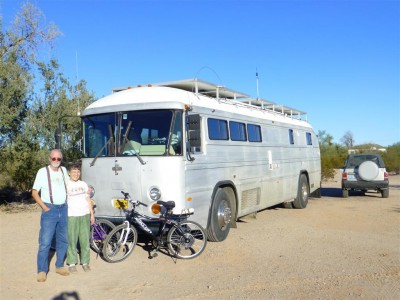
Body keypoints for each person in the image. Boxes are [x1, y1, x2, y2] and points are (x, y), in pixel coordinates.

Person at [32, 149, 69, 282]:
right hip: (50, 210)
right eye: (54, 158)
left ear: (61, 160)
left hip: (64, 209)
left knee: (63, 240)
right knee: (45, 242)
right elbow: (34, 192)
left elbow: (69, 187)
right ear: (49, 159)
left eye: (58, 159)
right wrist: (44, 207)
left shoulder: (64, 170)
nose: (56, 161)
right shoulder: (43, 172)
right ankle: (41, 270)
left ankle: (59, 266)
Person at [66, 164, 95, 273]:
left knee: (84, 240)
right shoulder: (66, 185)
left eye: (78, 172)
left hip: (84, 214)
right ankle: (72, 263)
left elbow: (88, 200)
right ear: (69, 173)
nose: (76, 174)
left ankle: (85, 262)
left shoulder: (83, 184)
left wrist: (92, 214)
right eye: (73, 172)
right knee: (72, 240)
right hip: (72, 215)